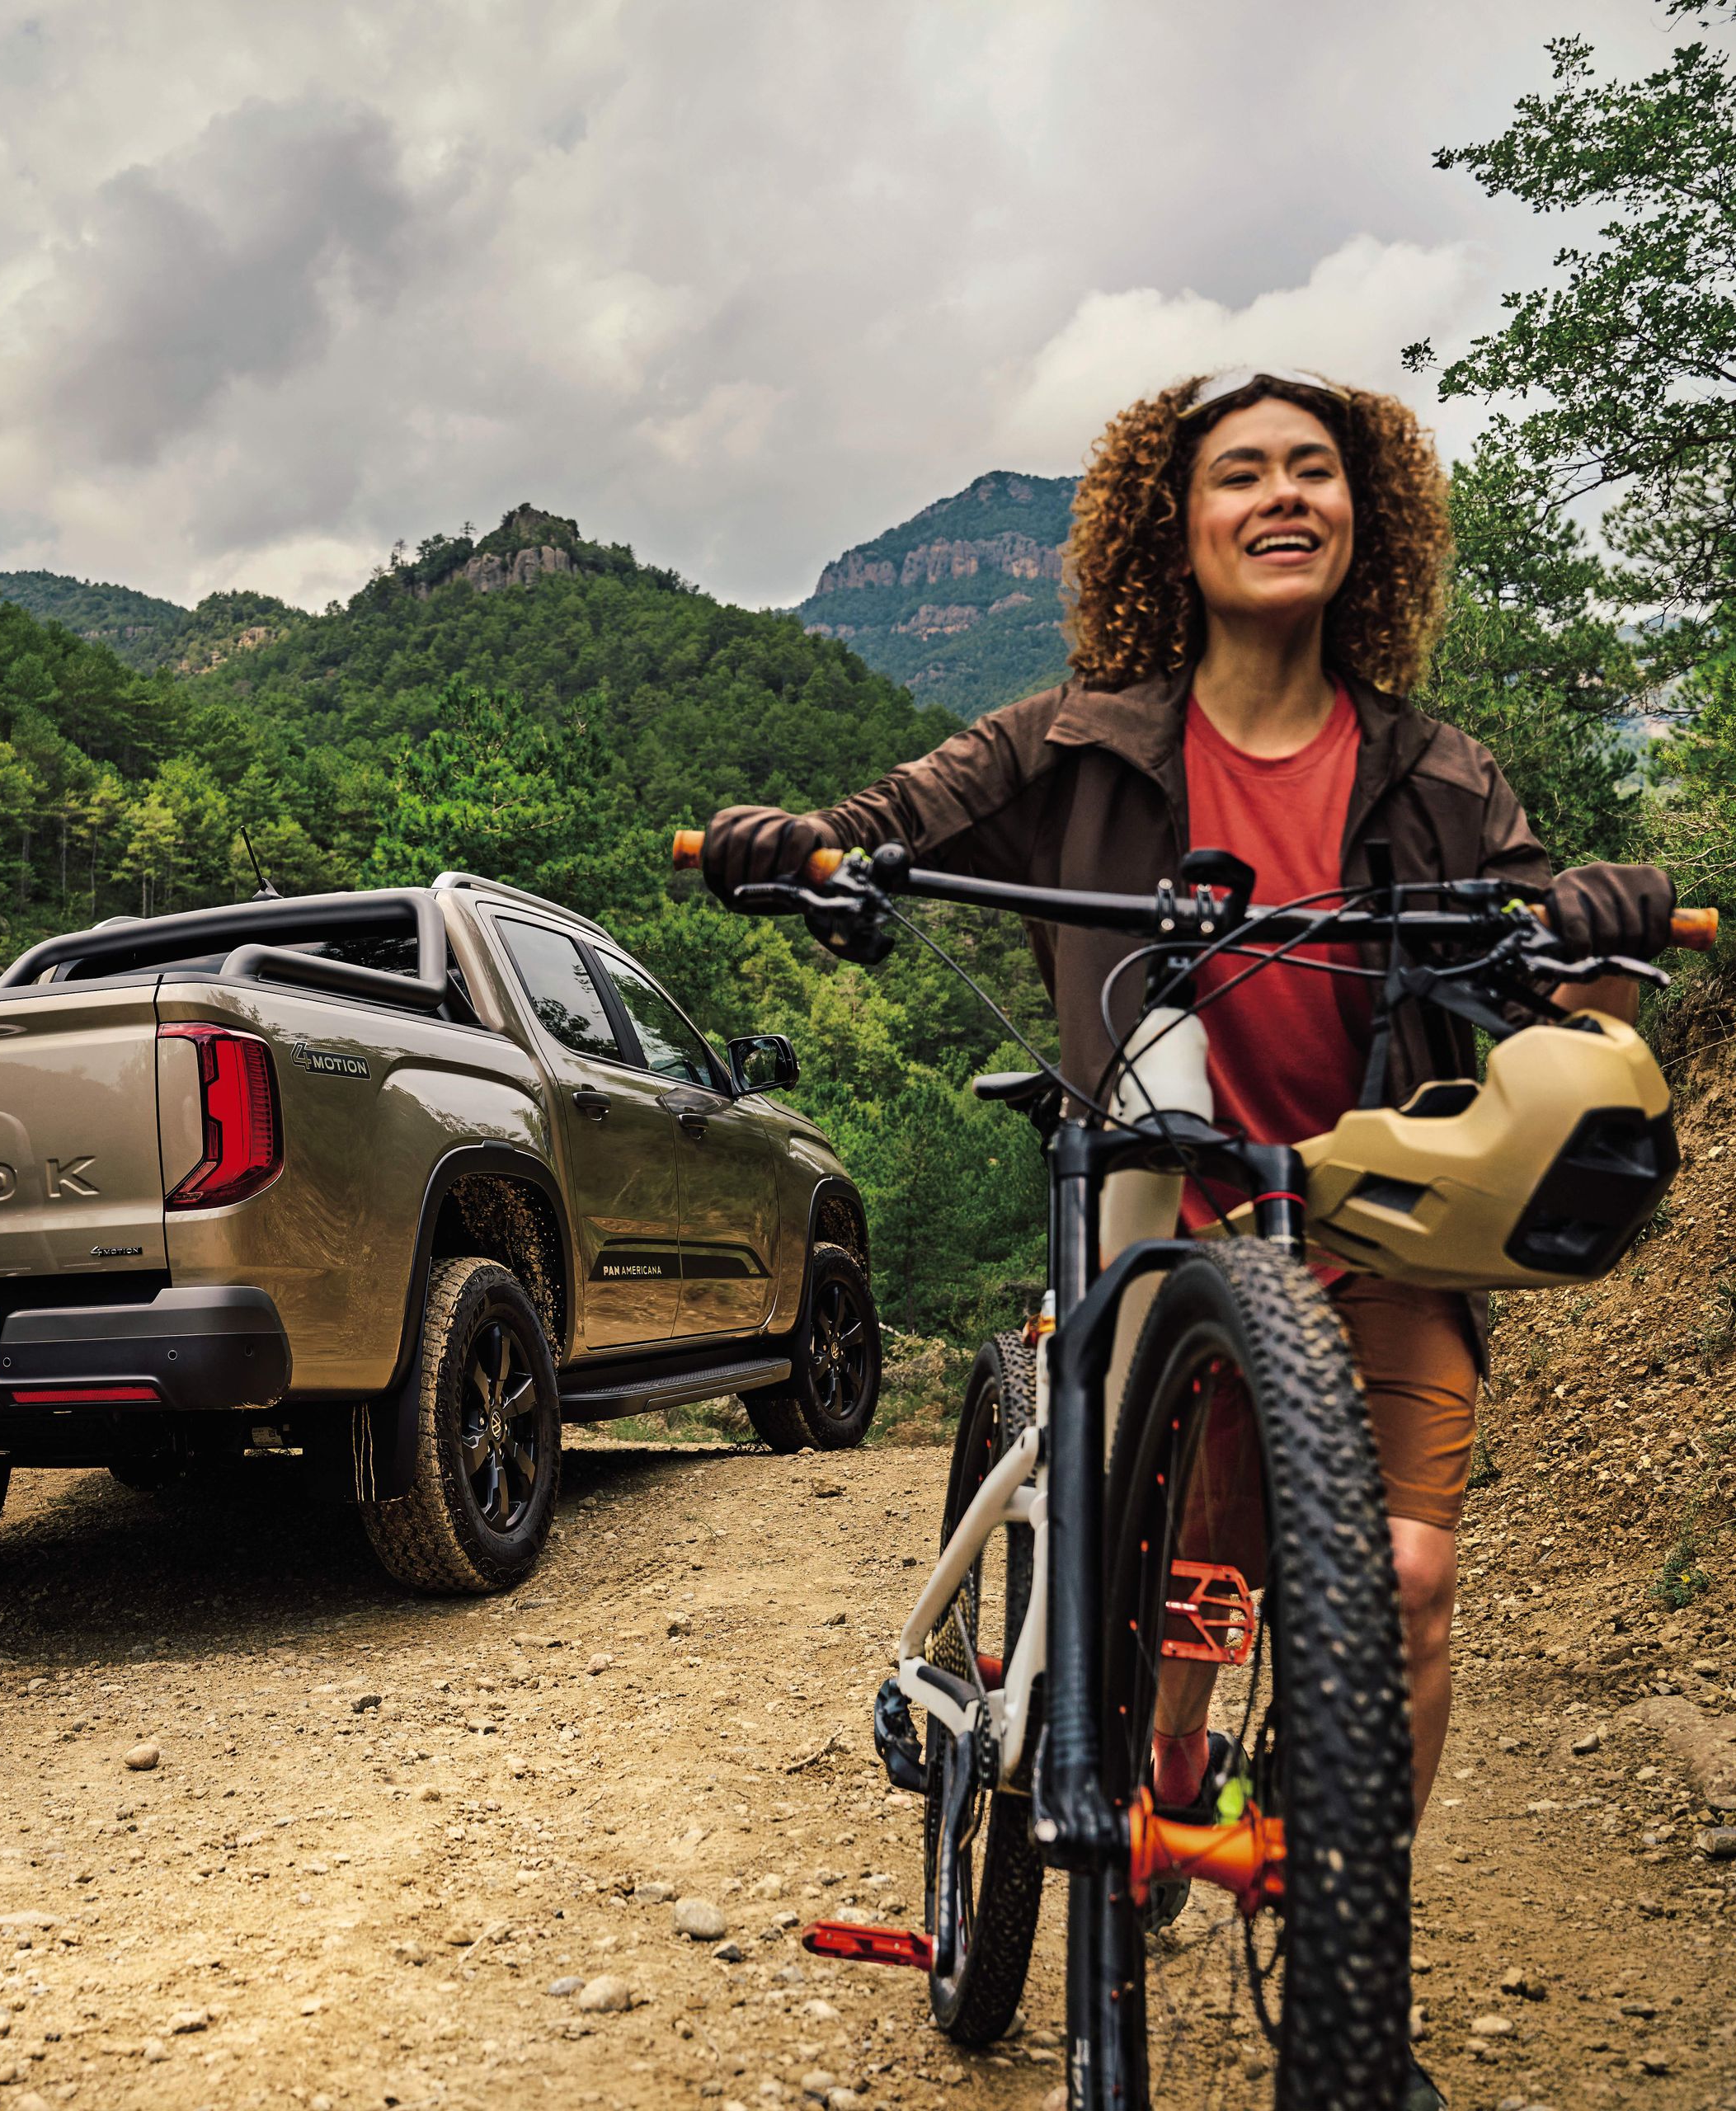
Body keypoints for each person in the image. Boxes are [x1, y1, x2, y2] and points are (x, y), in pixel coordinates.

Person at [701, 367, 1676, 2111]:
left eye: (1317, 470)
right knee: (1170, 1602)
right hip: (1157, 1201)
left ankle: (1340, 1946)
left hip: (1378, 1215)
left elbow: (1560, 966)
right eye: (1243, 473)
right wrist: (810, 848)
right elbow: (891, 821)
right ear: (1179, 519)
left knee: (1411, 1580)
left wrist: (1586, 921)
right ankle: (1138, 1772)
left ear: (1365, 519)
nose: (1283, 495)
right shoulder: (1072, 736)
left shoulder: (1436, 769)